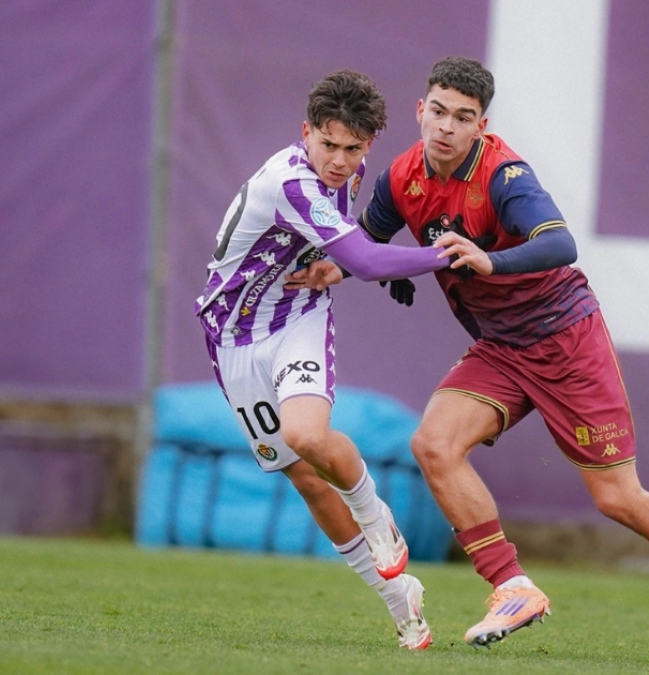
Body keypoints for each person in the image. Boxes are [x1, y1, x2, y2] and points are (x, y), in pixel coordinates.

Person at [345, 56, 649, 667]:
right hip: (501, 345)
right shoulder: (402, 176)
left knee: (618, 498)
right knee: (434, 445)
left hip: (565, 339)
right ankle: (512, 587)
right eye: (437, 111)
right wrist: (347, 268)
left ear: (481, 126)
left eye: (462, 118)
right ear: (420, 110)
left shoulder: (503, 173)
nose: (445, 127)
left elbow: (559, 243)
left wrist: (492, 262)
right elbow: (363, 241)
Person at [194, 69, 458, 650]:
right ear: (305, 132)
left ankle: (374, 513)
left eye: (353, 149)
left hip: (296, 317)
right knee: (306, 479)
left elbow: (357, 241)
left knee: (308, 436)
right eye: (328, 144)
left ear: (368, 145)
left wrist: (340, 262)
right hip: (232, 338)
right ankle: (400, 600)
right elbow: (365, 259)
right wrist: (443, 255)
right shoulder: (289, 182)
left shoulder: (354, 170)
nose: (339, 161)